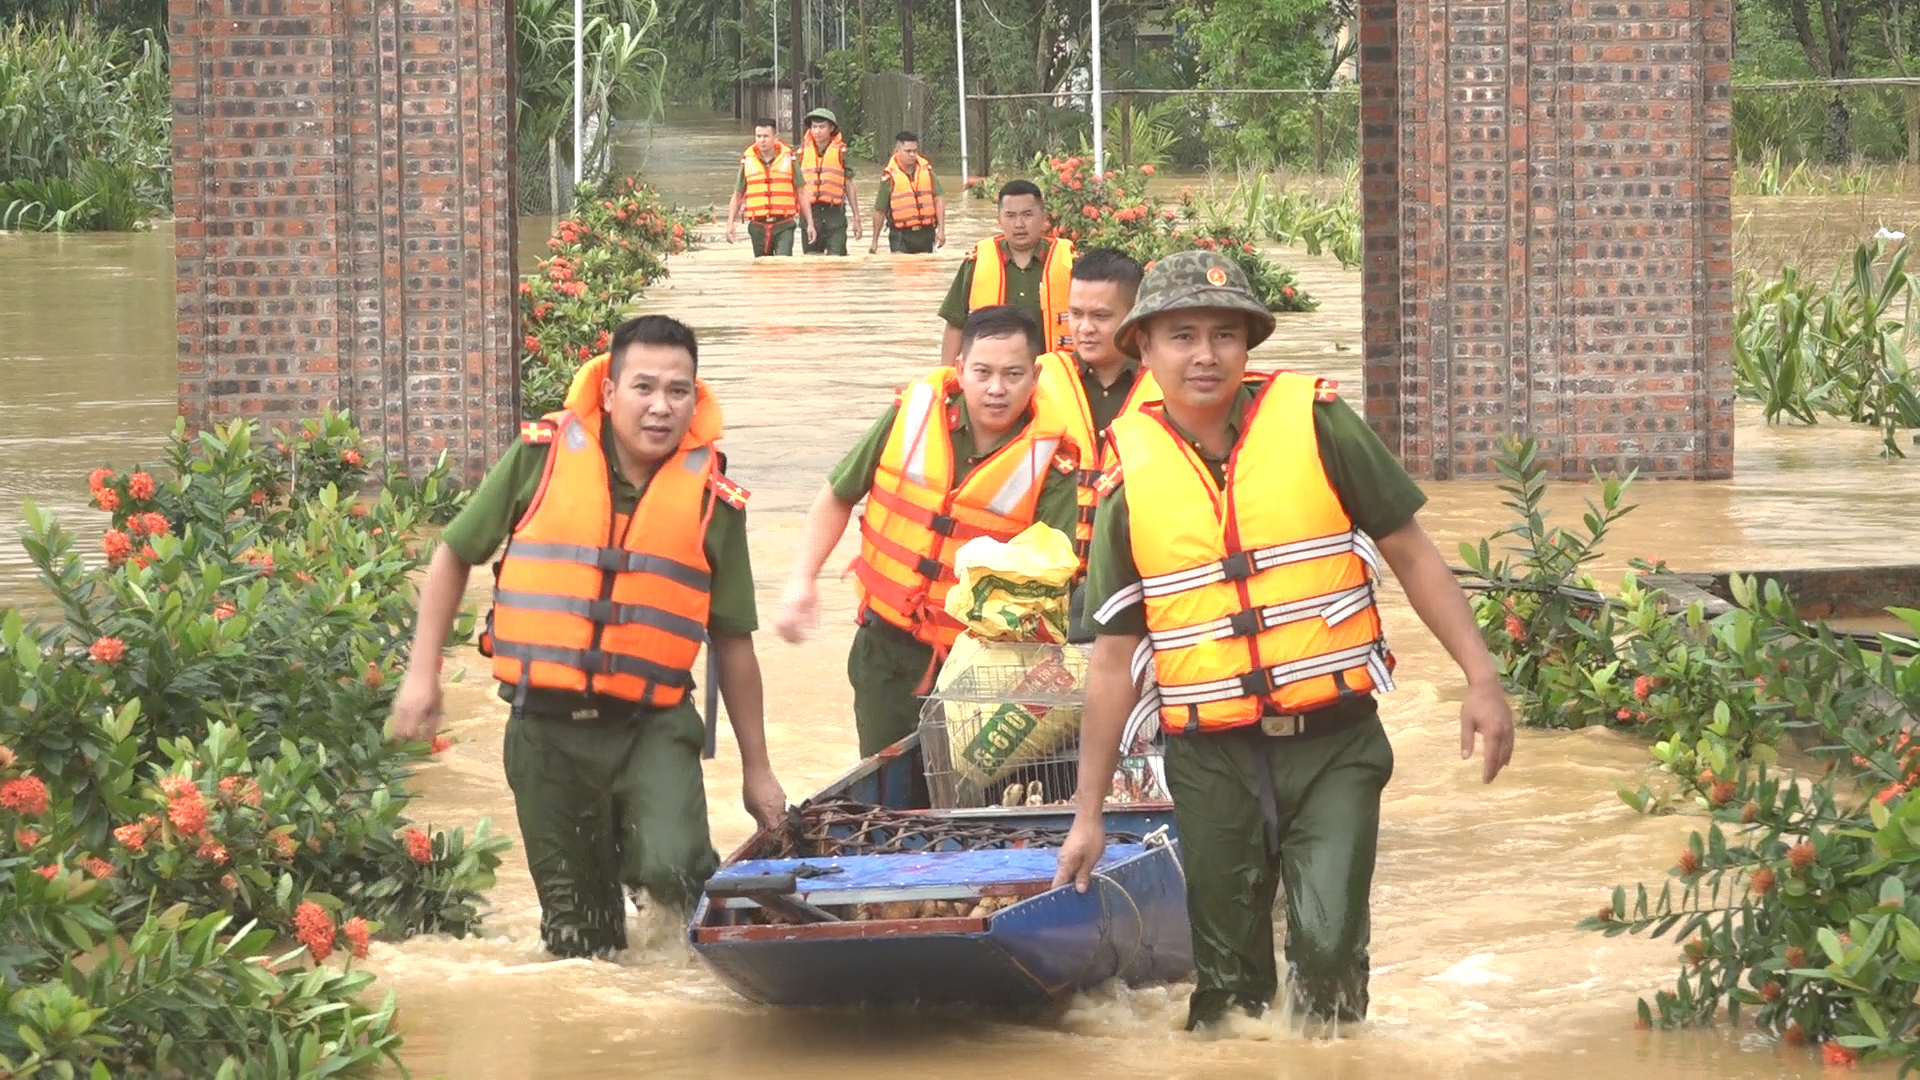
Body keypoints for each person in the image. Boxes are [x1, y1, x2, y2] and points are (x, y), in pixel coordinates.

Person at [1050, 251, 1516, 1033]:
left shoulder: (1319, 421)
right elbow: (1109, 662)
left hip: (1333, 745)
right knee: (1228, 990)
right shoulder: (1126, 474)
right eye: (1183, 335)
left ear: (1249, 344)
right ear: (1144, 350)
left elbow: (1409, 549)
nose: (1206, 355)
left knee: (1330, 952)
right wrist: (1088, 813)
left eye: (1226, 335)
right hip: (1209, 759)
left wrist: (1482, 677)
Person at [388, 314, 788, 959]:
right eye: (644, 387)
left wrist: (758, 771)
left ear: (696, 398)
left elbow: (734, 642)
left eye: (678, 391)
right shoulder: (542, 458)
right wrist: (421, 673)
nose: (661, 407)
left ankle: (652, 888)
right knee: (582, 943)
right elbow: (454, 554)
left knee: (677, 869)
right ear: (608, 391)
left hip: (652, 727)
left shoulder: (714, 498)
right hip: (546, 733)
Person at [773, 305, 1085, 758]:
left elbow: (1052, 580)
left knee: (966, 792)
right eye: (983, 372)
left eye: (1013, 374)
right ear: (959, 369)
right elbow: (838, 495)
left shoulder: (1054, 465)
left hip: (978, 667)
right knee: (882, 780)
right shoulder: (911, 416)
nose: (997, 388)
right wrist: (802, 580)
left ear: (1036, 376)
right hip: (884, 645)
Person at [1032, 247, 1159, 566]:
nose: (1084, 328)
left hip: (1133, 571)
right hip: (1051, 573)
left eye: (1101, 316)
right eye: (1076, 314)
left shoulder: (1168, 388)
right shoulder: (1036, 380)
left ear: (1134, 316)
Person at [937, 179, 1075, 367]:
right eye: (1010, 215)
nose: (1019, 224)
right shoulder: (976, 263)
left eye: (1027, 214)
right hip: (995, 380)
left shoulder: (1070, 262)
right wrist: (947, 376)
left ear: (1043, 217)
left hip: (1055, 378)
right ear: (999, 219)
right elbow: (955, 324)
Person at [725, 118, 817, 257]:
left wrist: (810, 223)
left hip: (784, 224)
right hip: (758, 226)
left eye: (766, 136)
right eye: (758, 136)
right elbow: (737, 195)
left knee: (782, 265)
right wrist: (730, 222)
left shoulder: (789, 160)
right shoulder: (748, 161)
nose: (762, 140)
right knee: (761, 269)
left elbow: (802, 192)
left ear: (775, 137)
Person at [869, 130, 945, 255]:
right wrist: (874, 242)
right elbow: (879, 210)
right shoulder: (889, 177)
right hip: (901, 236)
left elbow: (939, 199)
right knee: (903, 271)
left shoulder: (927, 171)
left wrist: (941, 230)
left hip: (926, 234)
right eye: (908, 151)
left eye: (915, 151)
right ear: (897, 151)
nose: (912, 155)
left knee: (928, 271)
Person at [798, 107, 861, 256]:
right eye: (814, 127)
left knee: (837, 261)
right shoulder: (801, 154)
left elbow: (849, 185)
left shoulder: (841, 153)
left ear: (831, 128)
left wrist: (857, 217)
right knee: (812, 262)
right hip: (810, 215)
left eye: (822, 127)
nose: (817, 131)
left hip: (835, 215)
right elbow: (797, 188)